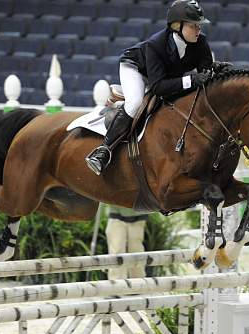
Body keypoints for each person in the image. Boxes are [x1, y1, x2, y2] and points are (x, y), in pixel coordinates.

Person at [86, 0, 216, 175]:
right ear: (177, 26)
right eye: (194, 26)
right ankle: (103, 151)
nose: (198, 30)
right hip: (137, 69)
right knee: (135, 103)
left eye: (199, 25)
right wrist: (191, 80)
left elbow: (206, 71)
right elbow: (158, 87)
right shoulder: (156, 45)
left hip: (166, 74)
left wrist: (218, 70)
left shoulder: (200, 42)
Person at [106, 206, 149, 279]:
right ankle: (116, 284)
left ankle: (139, 284)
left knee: (136, 251)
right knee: (117, 250)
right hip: (116, 214)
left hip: (138, 216)